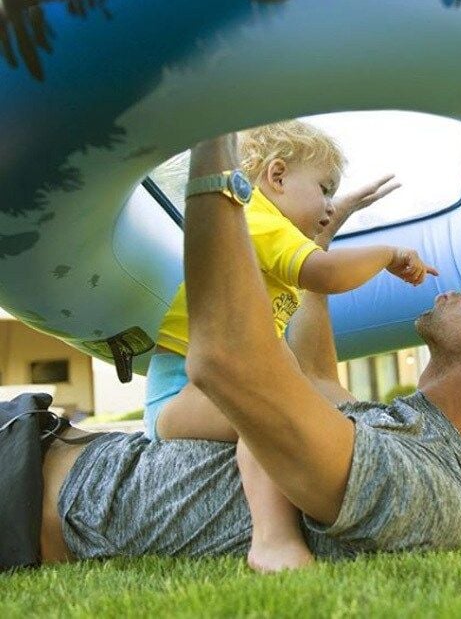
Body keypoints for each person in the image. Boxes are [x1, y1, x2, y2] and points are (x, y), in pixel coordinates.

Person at [37, 132, 461, 568]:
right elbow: (312, 375)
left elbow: (227, 365)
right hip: (48, 437)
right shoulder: (404, 431)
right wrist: (317, 244)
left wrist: (218, 155)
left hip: (30, 492)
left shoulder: (421, 484)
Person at [145, 121, 438, 571]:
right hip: (179, 394)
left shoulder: (267, 229)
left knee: (284, 389)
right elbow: (326, 274)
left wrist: (328, 219)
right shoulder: (255, 218)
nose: (327, 205)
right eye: (324, 188)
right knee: (266, 414)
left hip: (195, 390)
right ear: (277, 177)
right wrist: (387, 254)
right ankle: (273, 541)